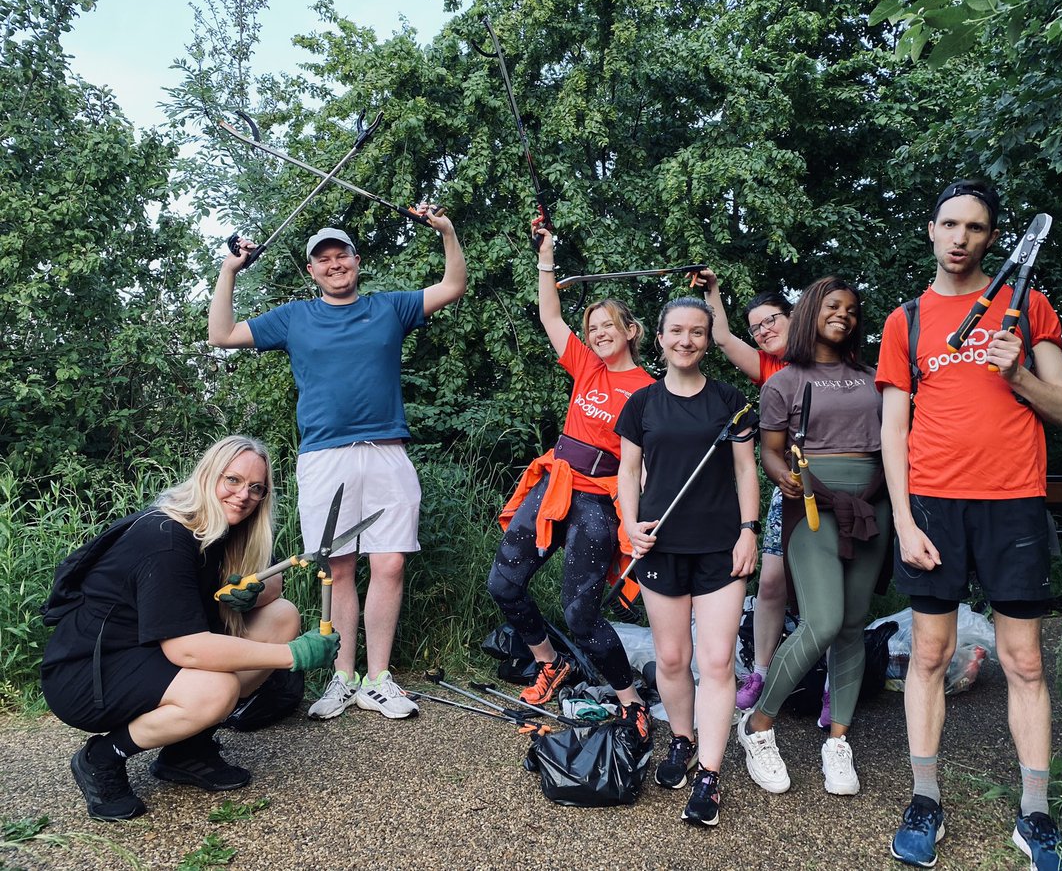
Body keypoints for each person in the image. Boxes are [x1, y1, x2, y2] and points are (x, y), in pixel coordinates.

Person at [876, 180, 1062, 869]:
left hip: (1013, 502)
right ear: (931, 230)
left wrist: (1018, 373)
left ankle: (1036, 816)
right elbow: (893, 429)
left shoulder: (1029, 305)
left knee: (1025, 661)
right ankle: (924, 800)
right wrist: (904, 520)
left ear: (993, 238)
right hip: (934, 505)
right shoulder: (906, 320)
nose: (960, 237)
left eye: (975, 227)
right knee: (928, 656)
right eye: (950, 224)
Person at [208, 213, 466, 721]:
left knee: (390, 564)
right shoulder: (294, 317)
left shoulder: (389, 307)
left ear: (356, 261)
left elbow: (453, 285)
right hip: (324, 455)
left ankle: (379, 680)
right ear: (312, 270)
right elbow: (221, 333)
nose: (334, 264)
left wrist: (446, 232)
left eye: (341, 255)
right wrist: (230, 270)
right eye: (323, 259)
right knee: (338, 567)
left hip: (387, 450)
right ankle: (343, 676)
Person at [41, 435, 340, 821]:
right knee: (216, 688)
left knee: (280, 615)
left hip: (145, 652)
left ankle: (186, 751)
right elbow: (187, 649)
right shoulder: (165, 537)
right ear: (207, 476)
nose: (244, 495)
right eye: (233, 480)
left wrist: (248, 593)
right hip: (87, 674)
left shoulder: (224, 528)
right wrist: (293, 655)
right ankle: (102, 757)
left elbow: (275, 585)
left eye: (256, 488)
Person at [486, 227, 654, 739]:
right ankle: (549, 663)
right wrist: (546, 259)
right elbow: (549, 316)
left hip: (598, 502)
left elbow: (645, 464)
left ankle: (630, 702)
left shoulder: (649, 390)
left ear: (630, 330)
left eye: (608, 325)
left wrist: (641, 520)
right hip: (555, 485)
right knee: (503, 584)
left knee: (581, 615)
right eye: (593, 327)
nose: (598, 333)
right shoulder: (586, 366)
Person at [736, 276, 890, 799]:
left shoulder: (875, 377)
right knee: (822, 620)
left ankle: (838, 741)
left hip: (872, 505)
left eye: (852, 309)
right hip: (813, 507)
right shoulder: (784, 381)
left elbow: (896, 441)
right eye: (832, 306)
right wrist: (782, 475)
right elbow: (770, 449)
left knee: (851, 624)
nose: (843, 314)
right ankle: (759, 725)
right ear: (809, 313)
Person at [615, 296, 759, 827]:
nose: (686, 340)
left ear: (706, 341)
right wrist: (630, 525)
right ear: (659, 338)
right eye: (676, 330)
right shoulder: (642, 404)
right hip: (661, 547)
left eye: (697, 332)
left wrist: (749, 531)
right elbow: (627, 472)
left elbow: (746, 470)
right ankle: (682, 738)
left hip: (721, 547)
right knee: (673, 659)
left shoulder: (729, 400)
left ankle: (709, 776)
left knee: (717, 662)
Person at [697, 268, 793, 710]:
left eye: (771, 320)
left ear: (794, 317)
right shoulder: (769, 367)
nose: (763, 331)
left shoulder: (830, 360)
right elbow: (721, 338)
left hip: (837, 488)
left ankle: (833, 682)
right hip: (789, 488)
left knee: (829, 596)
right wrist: (713, 292)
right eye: (756, 327)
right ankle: (761, 672)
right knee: (771, 584)